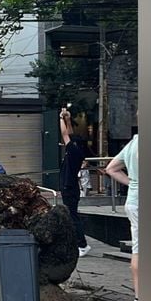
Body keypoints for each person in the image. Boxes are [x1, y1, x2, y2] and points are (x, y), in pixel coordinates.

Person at [104, 130, 139, 301]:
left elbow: (111, 169)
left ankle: (139, 299)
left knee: (138, 250)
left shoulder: (133, 144)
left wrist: (132, 183)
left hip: (134, 201)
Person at [58, 107, 91, 257]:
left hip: (70, 187)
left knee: (72, 216)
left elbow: (65, 134)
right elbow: (69, 134)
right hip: (70, 187)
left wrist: (60, 118)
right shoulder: (76, 151)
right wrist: (68, 119)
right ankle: (77, 243)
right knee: (71, 215)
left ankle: (82, 244)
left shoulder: (74, 152)